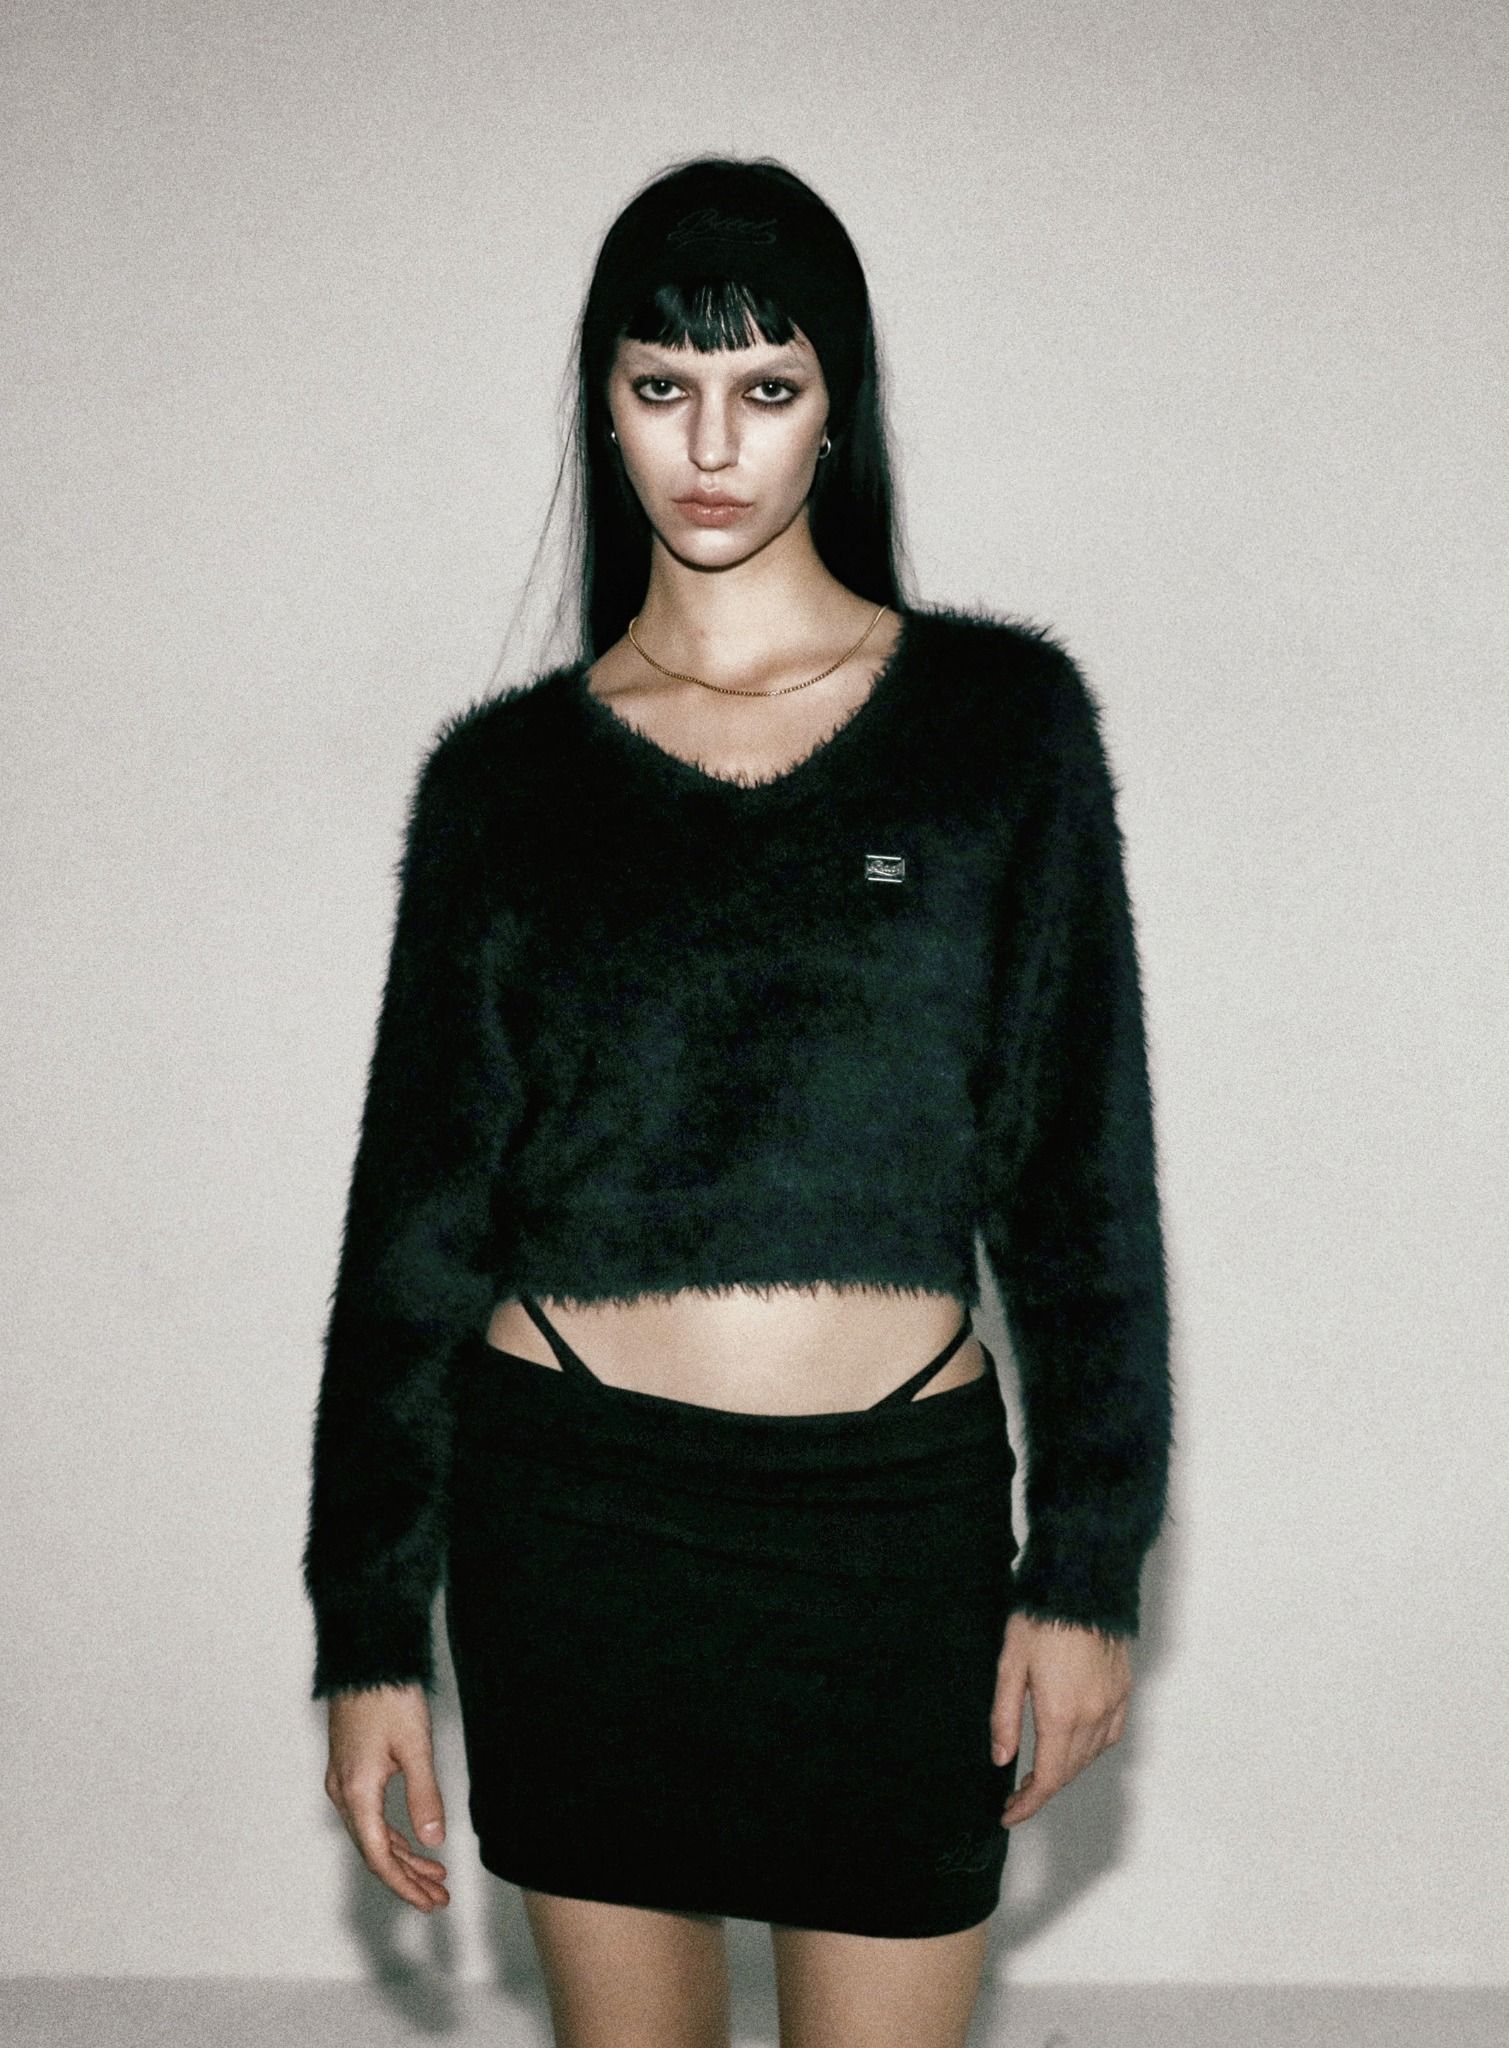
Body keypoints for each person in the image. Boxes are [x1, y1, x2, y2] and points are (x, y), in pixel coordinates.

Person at [302, 153, 1172, 2048]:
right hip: (574, 1527)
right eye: (661, 385)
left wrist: (1089, 1570)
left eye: (766, 386)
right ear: (602, 404)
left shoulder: (998, 730)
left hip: (891, 1536)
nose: (711, 443)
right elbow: (415, 1231)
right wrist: (365, 1637)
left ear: (833, 409)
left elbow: (1077, 1183)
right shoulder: (504, 787)